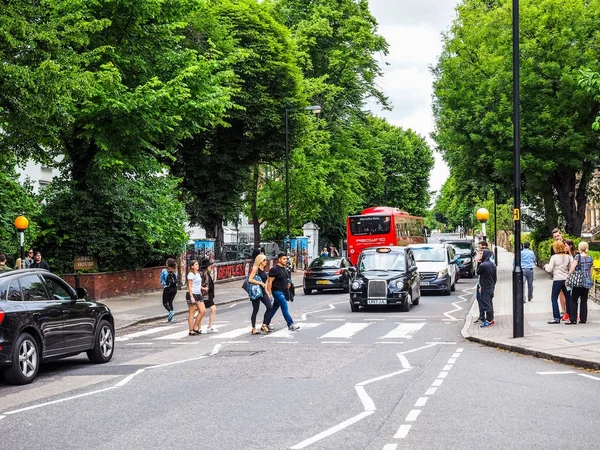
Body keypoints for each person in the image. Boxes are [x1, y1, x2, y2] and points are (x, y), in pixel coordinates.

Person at [266, 253, 299, 331]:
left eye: (286, 259)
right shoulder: (274, 269)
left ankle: (265, 323)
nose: (285, 260)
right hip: (277, 292)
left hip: (283, 291)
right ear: (279, 259)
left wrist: (288, 285)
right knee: (284, 306)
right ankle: (290, 324)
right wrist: (269, 293)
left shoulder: (284, 269)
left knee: (274, 308)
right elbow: (270, 281)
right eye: (284, 259)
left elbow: (286, 279)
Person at [544, 241, 571, 324]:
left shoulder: (554, 257)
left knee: (554, 298)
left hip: (557, 280)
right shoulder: (568, 257)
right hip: (566, 279)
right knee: (568, 298)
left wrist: (545, 266)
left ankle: (556, 317)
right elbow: (570, 268)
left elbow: (549, 269)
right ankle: (570, 316)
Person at [566, 241, 593, 325]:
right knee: (584, 301)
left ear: (580, 248)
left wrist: (568, 276)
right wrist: (589, 278)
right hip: (587, 281)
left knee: (573, 300)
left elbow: (573, 267)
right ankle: (583, 319)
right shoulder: (590, 258)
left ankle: (573, 319)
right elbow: (590, 270)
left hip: (578, 281)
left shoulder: (578, 257)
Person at [248, 254, 273, 335]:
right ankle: (253, 328)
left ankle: (264, 324)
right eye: (264, 260)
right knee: (256, 310)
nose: (266, 261)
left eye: (266, 260)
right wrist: (260, 283)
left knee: (269, 307)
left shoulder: (264, 270)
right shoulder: (256, 268)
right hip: (256, 292)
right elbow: (250, 279)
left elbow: (265, 283)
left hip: (263, 291)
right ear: (260, 261)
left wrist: (268, 293)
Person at [476, 249, 496, 327]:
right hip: (491, 286)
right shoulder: (493, 264)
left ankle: (488, 320)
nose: (480, 255)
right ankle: (491, 319)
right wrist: (493, 285)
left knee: (486, 304)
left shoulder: (483, 265)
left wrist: (478, 262)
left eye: (481, 254)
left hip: (485, 287)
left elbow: (478, 272)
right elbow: (495, 277)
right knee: (490, 303)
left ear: (485, 255)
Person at [199, 258, 217, 333]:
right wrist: (203, 288)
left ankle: (210, 327)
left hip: (208, 296)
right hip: (204, 296)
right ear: (206, 267)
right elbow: (197, 284)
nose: (210, 267)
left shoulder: (206, 273)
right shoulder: (202, 274)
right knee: (201, 312)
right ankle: (199, 327)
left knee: (213, 309)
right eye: (209, 266)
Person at [186, 260, 204, 335]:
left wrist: (201, 289)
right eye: (196, 264)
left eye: (198, 264)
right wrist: (191, 296)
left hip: (198, 294)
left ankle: (195, 326)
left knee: (203, 311)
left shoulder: (198, 273)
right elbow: (190, 286)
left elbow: (198, 284)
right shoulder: (190, 274)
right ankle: (191, 330)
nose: (198, 265)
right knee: (192, 313)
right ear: (192, 266)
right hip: (192, 294)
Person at [160, 258, 178, 322]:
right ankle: (171, 319)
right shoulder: (175, 271)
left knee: (164, 303)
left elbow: (162, 280)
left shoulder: (164, 271)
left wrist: (164, 284)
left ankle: (171, 311)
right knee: (170, 302)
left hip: (167, 288)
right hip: (174, 289)